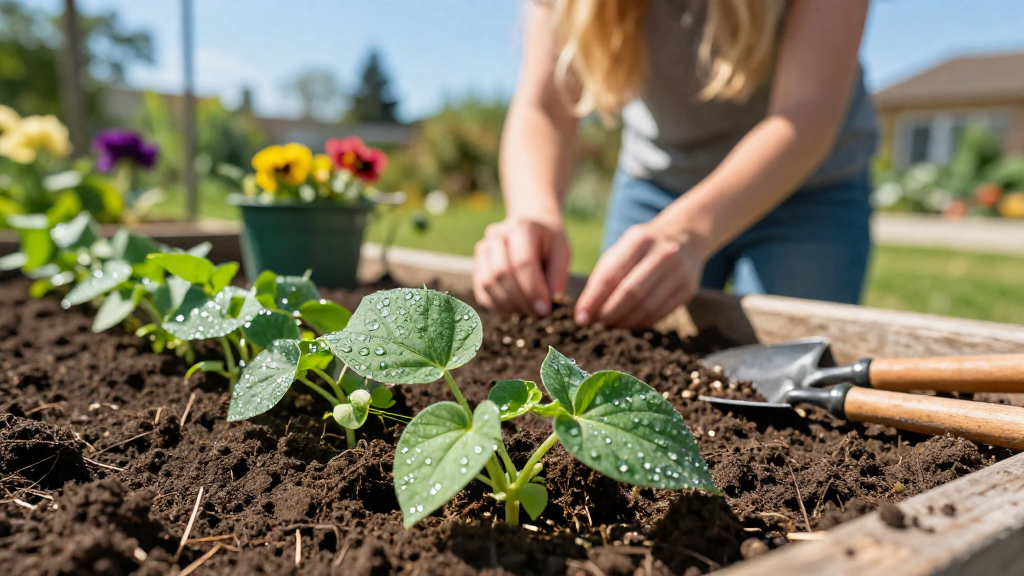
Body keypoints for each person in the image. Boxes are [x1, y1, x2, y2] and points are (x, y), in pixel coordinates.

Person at [472, 0, 877, 329]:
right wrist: (533, 212)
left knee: (793, 366)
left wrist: (691, 230)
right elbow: (545, 107)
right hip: (659, 184)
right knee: (624, 346)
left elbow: (807, 113)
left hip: (807, 190)